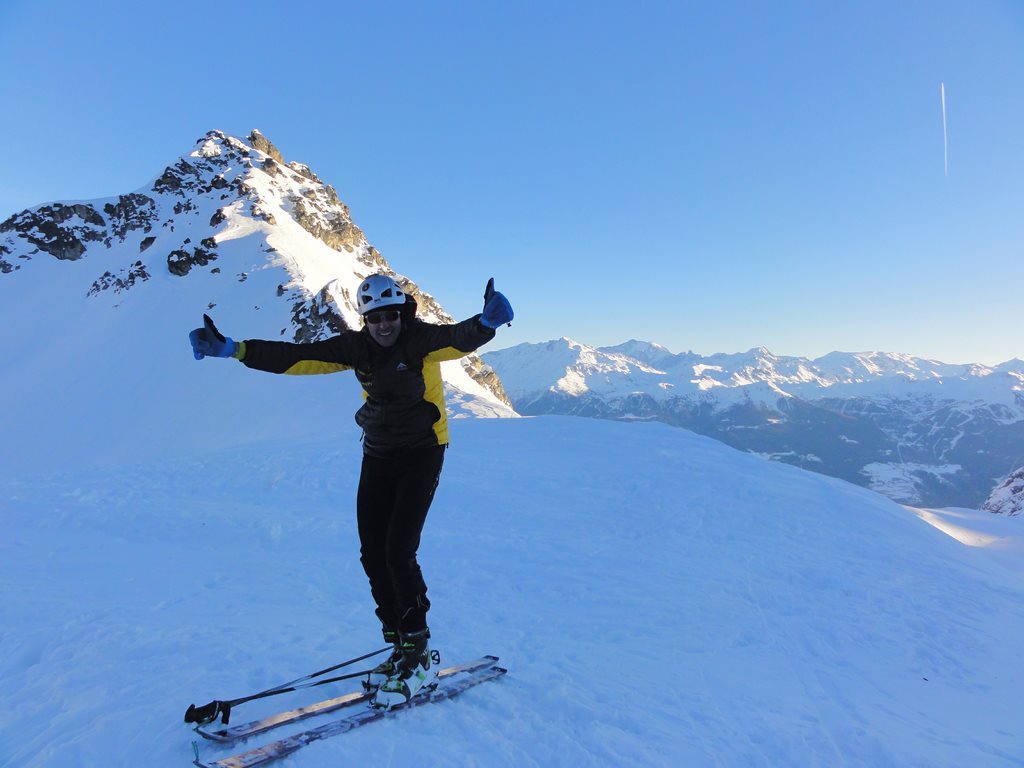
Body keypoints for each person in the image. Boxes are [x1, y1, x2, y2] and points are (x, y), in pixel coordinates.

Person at [189, 274, 513, 708]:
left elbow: (459, 338)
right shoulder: (356, 348)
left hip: (422, 451)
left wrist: (487, 324)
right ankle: (399, 641)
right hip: (378, 452)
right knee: (371, 552)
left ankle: (418, 649)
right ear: (365, 319)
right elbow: (298, 357)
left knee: (399, 551)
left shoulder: (419, 341)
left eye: (391, 316)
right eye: (375, 317)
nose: (384, 325)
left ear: (403, 313)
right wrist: (234, 349)